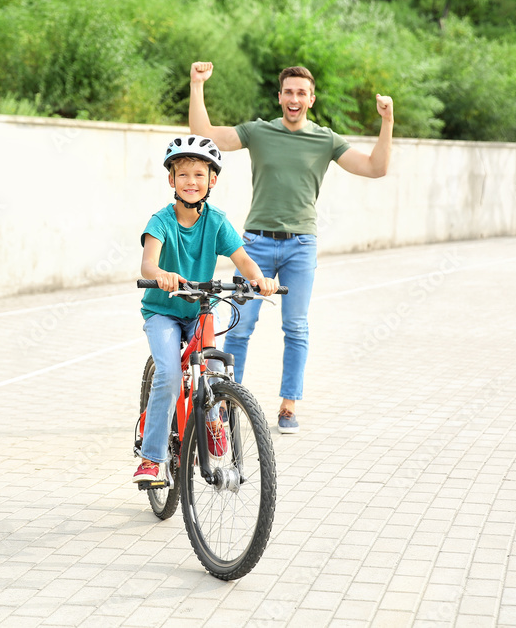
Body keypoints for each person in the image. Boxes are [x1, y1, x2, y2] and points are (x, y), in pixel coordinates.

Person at [188, 61, 394, 434]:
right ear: (280, 97)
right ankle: (225, 402)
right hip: (255, 244)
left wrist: (387, 121)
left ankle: (288, 405)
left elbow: (375, 168)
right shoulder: (259, 132)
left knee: (296, 327)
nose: (294, 98)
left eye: (302, 93)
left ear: (311, 99)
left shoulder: (326, 140)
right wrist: (197, 84)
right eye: (289, 92)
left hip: (301, 246)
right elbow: (204, 135)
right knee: (239, 326)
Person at [135, 135, 278, 483]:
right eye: (183, 175)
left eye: (199, 175)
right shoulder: (161, 221)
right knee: (169, 375)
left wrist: (260, 279)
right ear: (171, 180)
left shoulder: (216, 221)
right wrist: (164, 276)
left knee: (213, 369)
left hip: (200, 309)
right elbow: (148, 266)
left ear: (212, 180)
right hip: (163, 310)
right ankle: (151, 460)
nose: (191, 182)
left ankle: (212, 415)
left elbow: (242, 258)